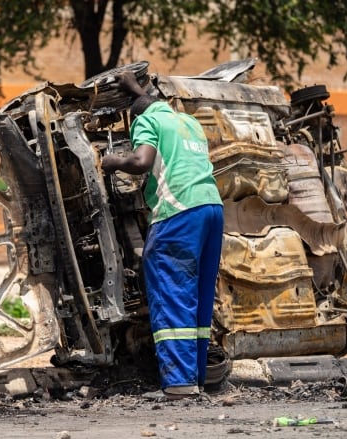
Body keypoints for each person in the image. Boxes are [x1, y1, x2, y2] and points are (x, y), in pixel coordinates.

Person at [101, 71, 224, 400]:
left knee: (172, 293)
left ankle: (179, 385)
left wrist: (113, 161)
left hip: (179, 212)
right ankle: (196, 379)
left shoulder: (146, 121)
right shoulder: (188, 122)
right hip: (211, 208)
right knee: (197, 298)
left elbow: (141, 162)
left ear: (134, 112)